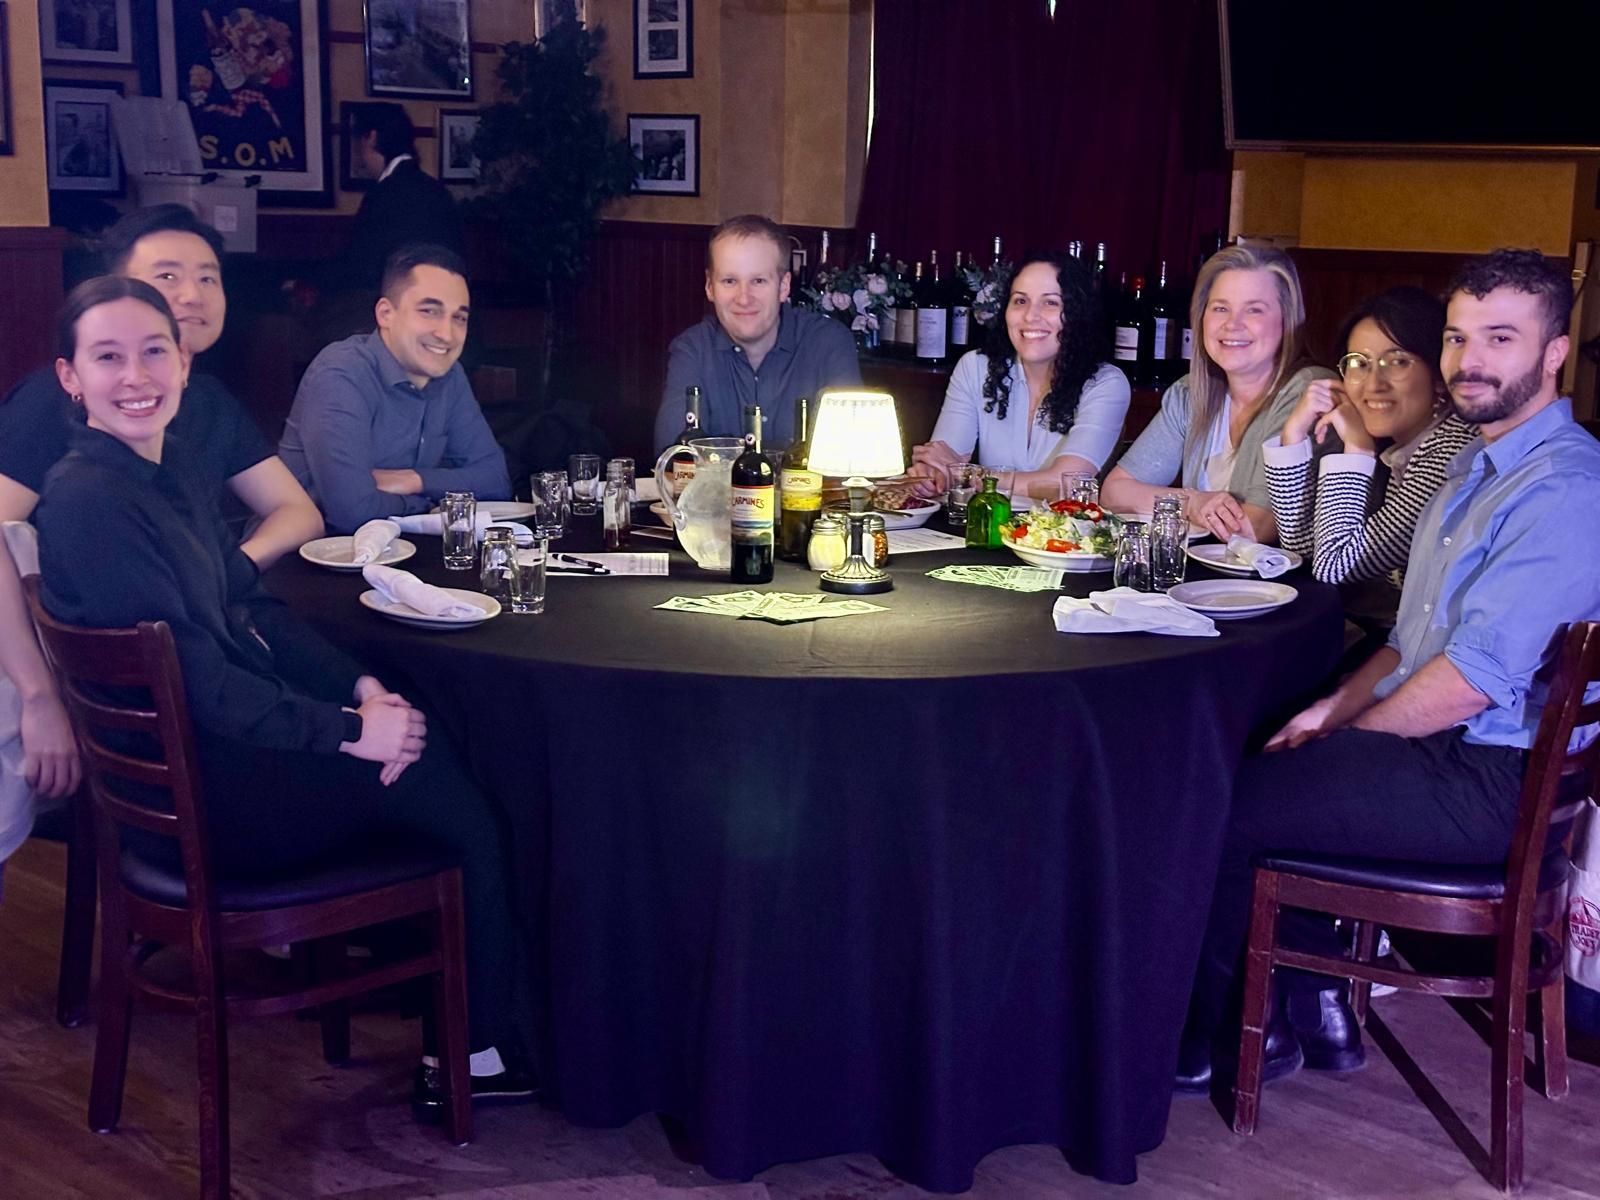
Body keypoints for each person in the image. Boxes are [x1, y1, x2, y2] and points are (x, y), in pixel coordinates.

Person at [34, 275, 534, 1109]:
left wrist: (361, 685)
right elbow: (199, 682)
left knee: (419, 725)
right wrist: (349, 730)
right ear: (70, 377)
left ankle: (454, 1017)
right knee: (455, 788)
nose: (136, 376)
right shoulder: (91, 500)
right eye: (108, 357)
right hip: (206, 810)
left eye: (154, 351)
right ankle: (478, 1055)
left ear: (184, 363)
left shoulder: (166, 469)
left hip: (212, 770)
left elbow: (250, 605)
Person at [1178, 249, 1600, 1093]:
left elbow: (1470, 681)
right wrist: (1332, 710)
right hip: (1455, 752)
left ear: (1554, 353)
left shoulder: (1565, 487)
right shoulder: (1474, 467)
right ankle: (1303, 1015)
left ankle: (1220, 1038)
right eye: (1456, 337)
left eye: (1500, 338)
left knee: (1215, 802)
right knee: (1271, 753)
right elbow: (1410, 643)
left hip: (1493, 781)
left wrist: (1349, 743)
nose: (1468, 361)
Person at [0, 205, 322, 881]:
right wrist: (38, 695)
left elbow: (297, 512)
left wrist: (223, 567)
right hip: (33, 657)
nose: (191, 294)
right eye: (167, 275)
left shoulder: (202, 402)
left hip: (155, 673)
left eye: (208, 277)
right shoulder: (59, 401)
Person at [1264, 287, 1477, 616]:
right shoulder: (1408, 448)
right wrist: (1293, 436)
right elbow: (1305, 549)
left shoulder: (1450, 451)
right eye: (1358, 363)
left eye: (1398, 362)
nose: (1374, 382)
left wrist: (1358, 449)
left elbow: (1335, 565)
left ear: (1439, 375)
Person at [1101, 244, 1335, 543]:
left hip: (1282, 587)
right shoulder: (1190, 392)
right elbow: (1115, 491)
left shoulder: (1309, 392)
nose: (1232, 324)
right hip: (1199, 577)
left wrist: (1168, 503)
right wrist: (1192, 502)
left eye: (1254, 309)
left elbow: (1257, 528)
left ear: (1287, 321)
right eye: (1220, 308)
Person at [279, 244, 511, 533]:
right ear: (386, 313)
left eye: (459, 318)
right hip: (310, 560)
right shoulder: (341, 373)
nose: (447, 334)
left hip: (400, 555)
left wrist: (414, 480)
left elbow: (496, 481)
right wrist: (430, 505)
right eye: (429, 311)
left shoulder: (450, 375)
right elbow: (353, 513)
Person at [905, 252, 1130, 501]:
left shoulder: (1106, 384)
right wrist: (929, 476)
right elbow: (944, 460)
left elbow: (1065, 485)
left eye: (1051, 303)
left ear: (1078, 314)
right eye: (1020, 301)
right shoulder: (975, 367)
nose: (1030, 316)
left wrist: (969, 475)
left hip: (1060, 536)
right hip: (986, 529)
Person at [652, 214, 862, 450]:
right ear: (710, 287)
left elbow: (850, 458)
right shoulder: (692, 349)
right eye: (730, 281)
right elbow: (673, 457)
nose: (743, 298)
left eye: (759, 281)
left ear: (783, 287)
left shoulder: (829, 344)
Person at [340, 103, 464, 297]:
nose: (357, 153)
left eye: (358, 141)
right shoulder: (438, 192)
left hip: (393, 306)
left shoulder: (382, 195)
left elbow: (359, 267)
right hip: (444, 301)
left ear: (371, 138)